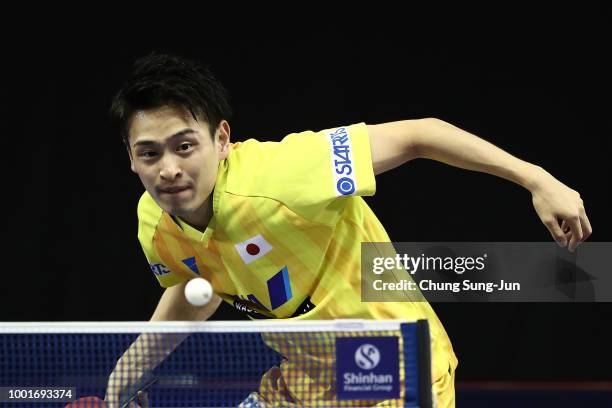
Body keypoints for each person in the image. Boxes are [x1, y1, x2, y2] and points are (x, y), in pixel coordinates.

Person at [105, 53, 591, 407]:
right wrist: (128, 372)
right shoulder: (155, 224)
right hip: (306, 384)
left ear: (222, 139)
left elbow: (419, 134)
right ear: (131, 158)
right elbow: (199, 287)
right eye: (150, 153)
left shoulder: (284, 175)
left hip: (395, 374)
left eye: (184, 147)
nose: (168, 169)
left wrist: (538, 179)